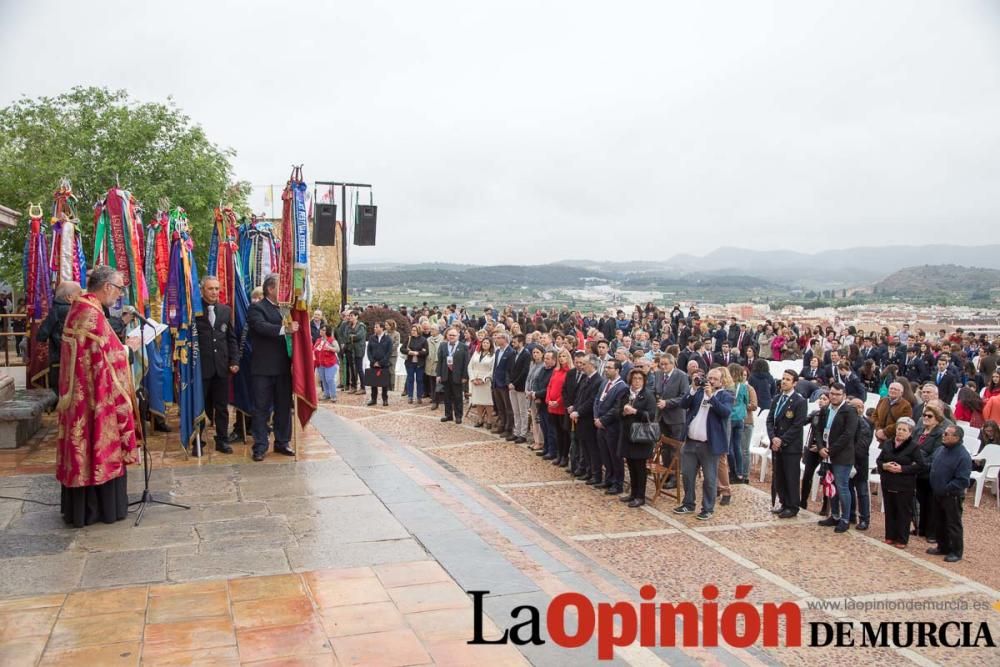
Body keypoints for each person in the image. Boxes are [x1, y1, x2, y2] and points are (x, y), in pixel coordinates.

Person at [55, 266, 140, 527]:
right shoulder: (92, 314)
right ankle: (100, 509)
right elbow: (110, 356)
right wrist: (128, 349)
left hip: (80, 396)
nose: (118, 295)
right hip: (93, 399)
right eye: (118, 289)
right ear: (106, 287)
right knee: (97, 442)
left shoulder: (80, 308)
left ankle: (82, 509)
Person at [248, 274, 298, 461]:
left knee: (284, 407)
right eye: (281, 287)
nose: (285, 291)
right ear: (270, 289)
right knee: (261, 408)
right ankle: (260, 445)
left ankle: (282, 441)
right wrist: (285, 329)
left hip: (283, 368)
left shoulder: (285, 310)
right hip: (262, 368)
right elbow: (260, 327)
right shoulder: (257, 308)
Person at [673, 367, 733, 519]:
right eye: (709, 378)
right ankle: (688, 503)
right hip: (691, 441)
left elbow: (725, 412)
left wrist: (711, 396)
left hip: (709, 445)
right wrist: (693, 388)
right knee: (687, 474)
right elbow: (683, 404)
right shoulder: (699, 392)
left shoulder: (726, 395)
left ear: (722, 381)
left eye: (714, 379)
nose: (711, 381)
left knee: (710, 478)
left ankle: (707, 508)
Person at [194, 275, 239, 456]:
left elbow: (231, 338)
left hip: (221, 367)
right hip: (201, 369)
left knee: (222, 407)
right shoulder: (195, 311)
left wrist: (234, 360)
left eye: (217, 289)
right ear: (202, 290)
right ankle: (198, 441)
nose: (214, 292)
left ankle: (222, 440)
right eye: (210, 289)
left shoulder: (225, 311)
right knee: (201, 407)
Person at [815, 383, 859, 533]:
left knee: (842, 487)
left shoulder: (849, 411)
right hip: (826, 453)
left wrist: (831, 450)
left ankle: (845, 518)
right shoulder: (825, 409)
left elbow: (848, 434)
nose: (833, 396)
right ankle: (834, 515)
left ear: (844, 396)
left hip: (842, 455)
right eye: (832, 393)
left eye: (837, 394)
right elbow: (819, 430)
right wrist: (820, 447)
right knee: (830, 485)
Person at [876, 417, 926, 549]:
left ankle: (902, 539)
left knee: (903, 512)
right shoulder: (888, 444)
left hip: (904, 484)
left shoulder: (914, 447)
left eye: (904, 430)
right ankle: (890, 536)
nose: (900, 432)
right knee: (890, 509)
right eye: (899, 429)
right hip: (888, 481)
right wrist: (885, 466)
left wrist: (902, 469)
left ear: (910, 433)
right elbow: (879, 460)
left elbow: (921, 465)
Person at [767, 369, 809, 518]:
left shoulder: (799, 401)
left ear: (795, 383)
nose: (784, 381)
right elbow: (770, 420)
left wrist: (782, 440)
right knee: (780, 475)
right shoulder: (777, 398)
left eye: (788, 379)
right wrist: (773, 437)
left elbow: (797, 425)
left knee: (790, 476)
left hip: (790, 446)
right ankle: (784, 502)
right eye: (783, 378)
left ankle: (792, 506)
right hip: (776, 444)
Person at [927, 424, 972, 563]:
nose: (944, 435)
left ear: (956, 437)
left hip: (951, 495)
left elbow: (963, 480)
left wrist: (947, 488)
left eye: (947, 434)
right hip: (937, 492)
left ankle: (956, 551)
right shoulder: (941, 449)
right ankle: (943, 546)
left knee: (953, 524)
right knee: (939, 521)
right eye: (944, 433)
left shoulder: (963, 456)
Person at [617, 368, 659, 508]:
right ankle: (633, 493)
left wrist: (635, 411)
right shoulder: (625, 393)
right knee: (630, 465)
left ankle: (640, 496)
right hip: (627, 434)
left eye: (640, 379)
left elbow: (651, 415)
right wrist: (623, 411)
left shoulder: (648, 395)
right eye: (634, 378)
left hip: (641, 436)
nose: (636, 381)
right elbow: (617, 410)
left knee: (640, 467)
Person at [36, 280, 81, 393]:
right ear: (69, 297)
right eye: (79, 294)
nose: (81, 297)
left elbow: (41, 335)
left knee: (58, 395)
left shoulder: (54, 311)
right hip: (72, 361)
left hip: (57, 360)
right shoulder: (74, 312)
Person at [652, 353, 689, 487]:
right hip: (662, 417)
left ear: (673, 364)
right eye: (661, 364)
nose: (663, 366)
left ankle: (674, 476)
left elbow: (684, 396)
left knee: (675, 448)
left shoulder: (682, 376)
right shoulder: (658, 374)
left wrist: (667, 403)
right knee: (664, 448)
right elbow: (655, 391)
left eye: (666, 364)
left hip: (675, 417)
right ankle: (666, 472)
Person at [913, 402, 946, 542]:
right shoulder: (919, 431)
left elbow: (936, 455)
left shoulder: (939, 434)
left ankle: (932, 533)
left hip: (931, 473)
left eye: (929, 416)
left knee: (932, 504)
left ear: (937, 419)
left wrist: (919, 461)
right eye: (924, 415)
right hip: (917, 472)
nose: (926, 417)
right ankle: (921, 528)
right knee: (921, 501)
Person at [594, 358, 628, 494]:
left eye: (609, 368)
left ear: (617, 370)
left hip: (612, 426)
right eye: (606, 367)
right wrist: (596, 416)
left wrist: (603, 420)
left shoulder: (622, 387)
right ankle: (608, 478)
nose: (606, 370)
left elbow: (616, 408)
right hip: (600, 424)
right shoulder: (604, 383)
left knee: (615, 456)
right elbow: (597, 400)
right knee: (605, 454)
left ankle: (617, 482)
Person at [570, 354, 602, 483]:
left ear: (592, 365)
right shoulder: (585, 378)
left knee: (592, 449)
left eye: (584, 364)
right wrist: (574, 407)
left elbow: (591, 401)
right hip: (580, 419)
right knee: (585, 447)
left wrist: (579, 412)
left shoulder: (597, 381)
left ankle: (596, 474)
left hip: (588, 419)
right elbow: (579, 396)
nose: (582, 367)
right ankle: (588, 471)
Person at [848, 397, 873, 530]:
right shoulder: (847, 420)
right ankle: (850, 515)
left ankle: (864, 518)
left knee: (862, 491)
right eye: (854, 406)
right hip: (847, 461)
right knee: (848, 489)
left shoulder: (865, 424)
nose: (858, 409)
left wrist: (849, 453)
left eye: (860, 406)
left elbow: (862, 446)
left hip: (859, 462)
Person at [437, 327, 469, 423]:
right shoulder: (443, 346)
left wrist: (465, 376)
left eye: (454, 335)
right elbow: (440, 361)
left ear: (458, 336)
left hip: (458, 376)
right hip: (445, 374)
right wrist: (438, 374)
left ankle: (458, 416)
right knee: (447, 396)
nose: (451, 337)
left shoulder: (463, 347)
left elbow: (466, 363)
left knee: (457, 397)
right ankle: (448, 415)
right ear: (447, 335)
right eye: (450, 335)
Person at [546, 349, 572, 467]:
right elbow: (550, 386)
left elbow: (566, 390)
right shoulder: (555, 371)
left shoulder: (569, 372)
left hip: (561, 406)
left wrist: (558, 401)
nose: (561, 358)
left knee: (564, 432)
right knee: (557, 432)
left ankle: (564, 456)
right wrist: (548, 400)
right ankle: (559, 454)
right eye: (560, 356)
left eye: (564, 356)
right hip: (552, 406)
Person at [508, 334, 532, 444]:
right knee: (515, 411)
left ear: (521, 342)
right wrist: (509, 382)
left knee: (523, 411)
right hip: (511, 386)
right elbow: (509, 369)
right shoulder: (513, 354)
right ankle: (516, 432)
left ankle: (523, 433)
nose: (513, 344)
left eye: (515, 342)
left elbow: (524, 371)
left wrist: (515, 383)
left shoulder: (526, 354)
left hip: (521, 386)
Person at [468, 335, 495, 427]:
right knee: (478, 401)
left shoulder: (493, 355)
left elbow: (492, 370)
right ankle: (480, 419)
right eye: (484, 342)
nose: (485, 344)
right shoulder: (476, 353)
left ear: (491, 345)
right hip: (475, 380)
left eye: (487, 343)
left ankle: (489, 420)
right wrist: (472, 378)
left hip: (486, 382)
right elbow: (470, 366)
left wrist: (484, 380)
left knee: (488, 402)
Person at [491, 332, 515, 438]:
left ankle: (509, 428)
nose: (496, 339)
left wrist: (508, 382)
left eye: (499, 337)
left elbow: (510, 369)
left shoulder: (511, 352)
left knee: (508, 407)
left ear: (505, 339)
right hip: (496, 382)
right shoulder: (497, 352)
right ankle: (502, 424)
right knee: (500, 407)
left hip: (504, 384)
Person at [366, 321, 393, 406]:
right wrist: (373, 362)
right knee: (373, 382)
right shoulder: (371, 338)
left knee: (384, 383)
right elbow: (368, 351)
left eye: (376, 327)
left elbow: (389, 352)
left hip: (384, 364)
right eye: (374, 327)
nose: (375, 328)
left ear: (382, 328)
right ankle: (373, 399)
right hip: (373, 364)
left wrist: (381, 362)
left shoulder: (388, 339)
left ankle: (385, 399)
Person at [403, 324, 428, 404]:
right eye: (412, 330)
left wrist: (418, 353)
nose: (412, 332)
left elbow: (426, 352)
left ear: (418, 331)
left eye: (414, 330)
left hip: (419, 363)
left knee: (419, 380)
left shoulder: (423, 340)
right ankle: (410, 396)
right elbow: (402, 349)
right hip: (410, 362)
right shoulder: (409, 338)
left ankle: (419, 396)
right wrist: (409, 352)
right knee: (410, 379)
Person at [313, 325, 339, 402]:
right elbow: (314, 349)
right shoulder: (318, 340)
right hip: (320, 363)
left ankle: (333, 395)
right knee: (323, 380)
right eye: (321, 329)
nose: (322, 331)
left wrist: (330, 348)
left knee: (329, 379)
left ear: (327, 331)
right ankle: (326, 394)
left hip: (330, 363)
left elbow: (337, 349)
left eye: (324, 330)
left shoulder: (332, 340)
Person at [346, 311, 367, 394]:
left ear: (356, 316)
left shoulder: (361, 326)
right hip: (350, 349)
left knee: (359, 368)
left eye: (352, 316)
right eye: (349, 316)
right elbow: (346, 335)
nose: (350, 317)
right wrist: (352, 336)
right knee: (352, 368)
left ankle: (363, 387)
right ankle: (353, 386)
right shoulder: (349, 326)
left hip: (358, 350)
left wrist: (352, 336)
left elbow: (359, 336)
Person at [424, 324, 443, 409]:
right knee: (431, 382)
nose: (431, 331)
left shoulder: (442, 339)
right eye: (431, 329)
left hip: (438, 364)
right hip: (429, 364)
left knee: (438, 383)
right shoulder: (428, 339)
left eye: (433, 329)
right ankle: (433, 397)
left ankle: (437, 400)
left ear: (438, 330)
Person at [385, 319, 401, 392]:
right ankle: (386, 384)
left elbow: (396, 344)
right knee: (385, 371)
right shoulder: (384, 333)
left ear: (391, 326)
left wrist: (389, 349)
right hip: (384, 355)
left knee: (391, 371)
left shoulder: (396, 334)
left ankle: (392, 385)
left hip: (392, 355)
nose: (385, 326)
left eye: (387, 325)